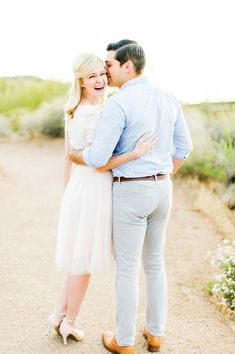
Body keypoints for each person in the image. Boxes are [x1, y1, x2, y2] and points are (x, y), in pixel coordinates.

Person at [69, 40, 193, 354]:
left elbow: (97, 158)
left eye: (109, 65)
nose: (105, 73)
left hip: (131, 190)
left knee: (127, 268)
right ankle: (155, 334)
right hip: (163, 187)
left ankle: (124, 342)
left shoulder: (118, 103)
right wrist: (161, 175)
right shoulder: (168, 98)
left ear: (128, 65)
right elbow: (185, 148)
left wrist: (74, 154)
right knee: (155, 263)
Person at [48, 52, 156, 346]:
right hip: (93, 188)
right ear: (81, 81)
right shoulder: (94, 113)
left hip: (80, 188)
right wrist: (136, 153)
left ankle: (59, 314)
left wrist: (69, 190)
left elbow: (69, 156)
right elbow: (99, 161)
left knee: (77, 257)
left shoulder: (74, 108)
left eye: (101, 74)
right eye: (91, 76)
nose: (99, 80)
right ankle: (69, 321)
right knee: (84, 261)